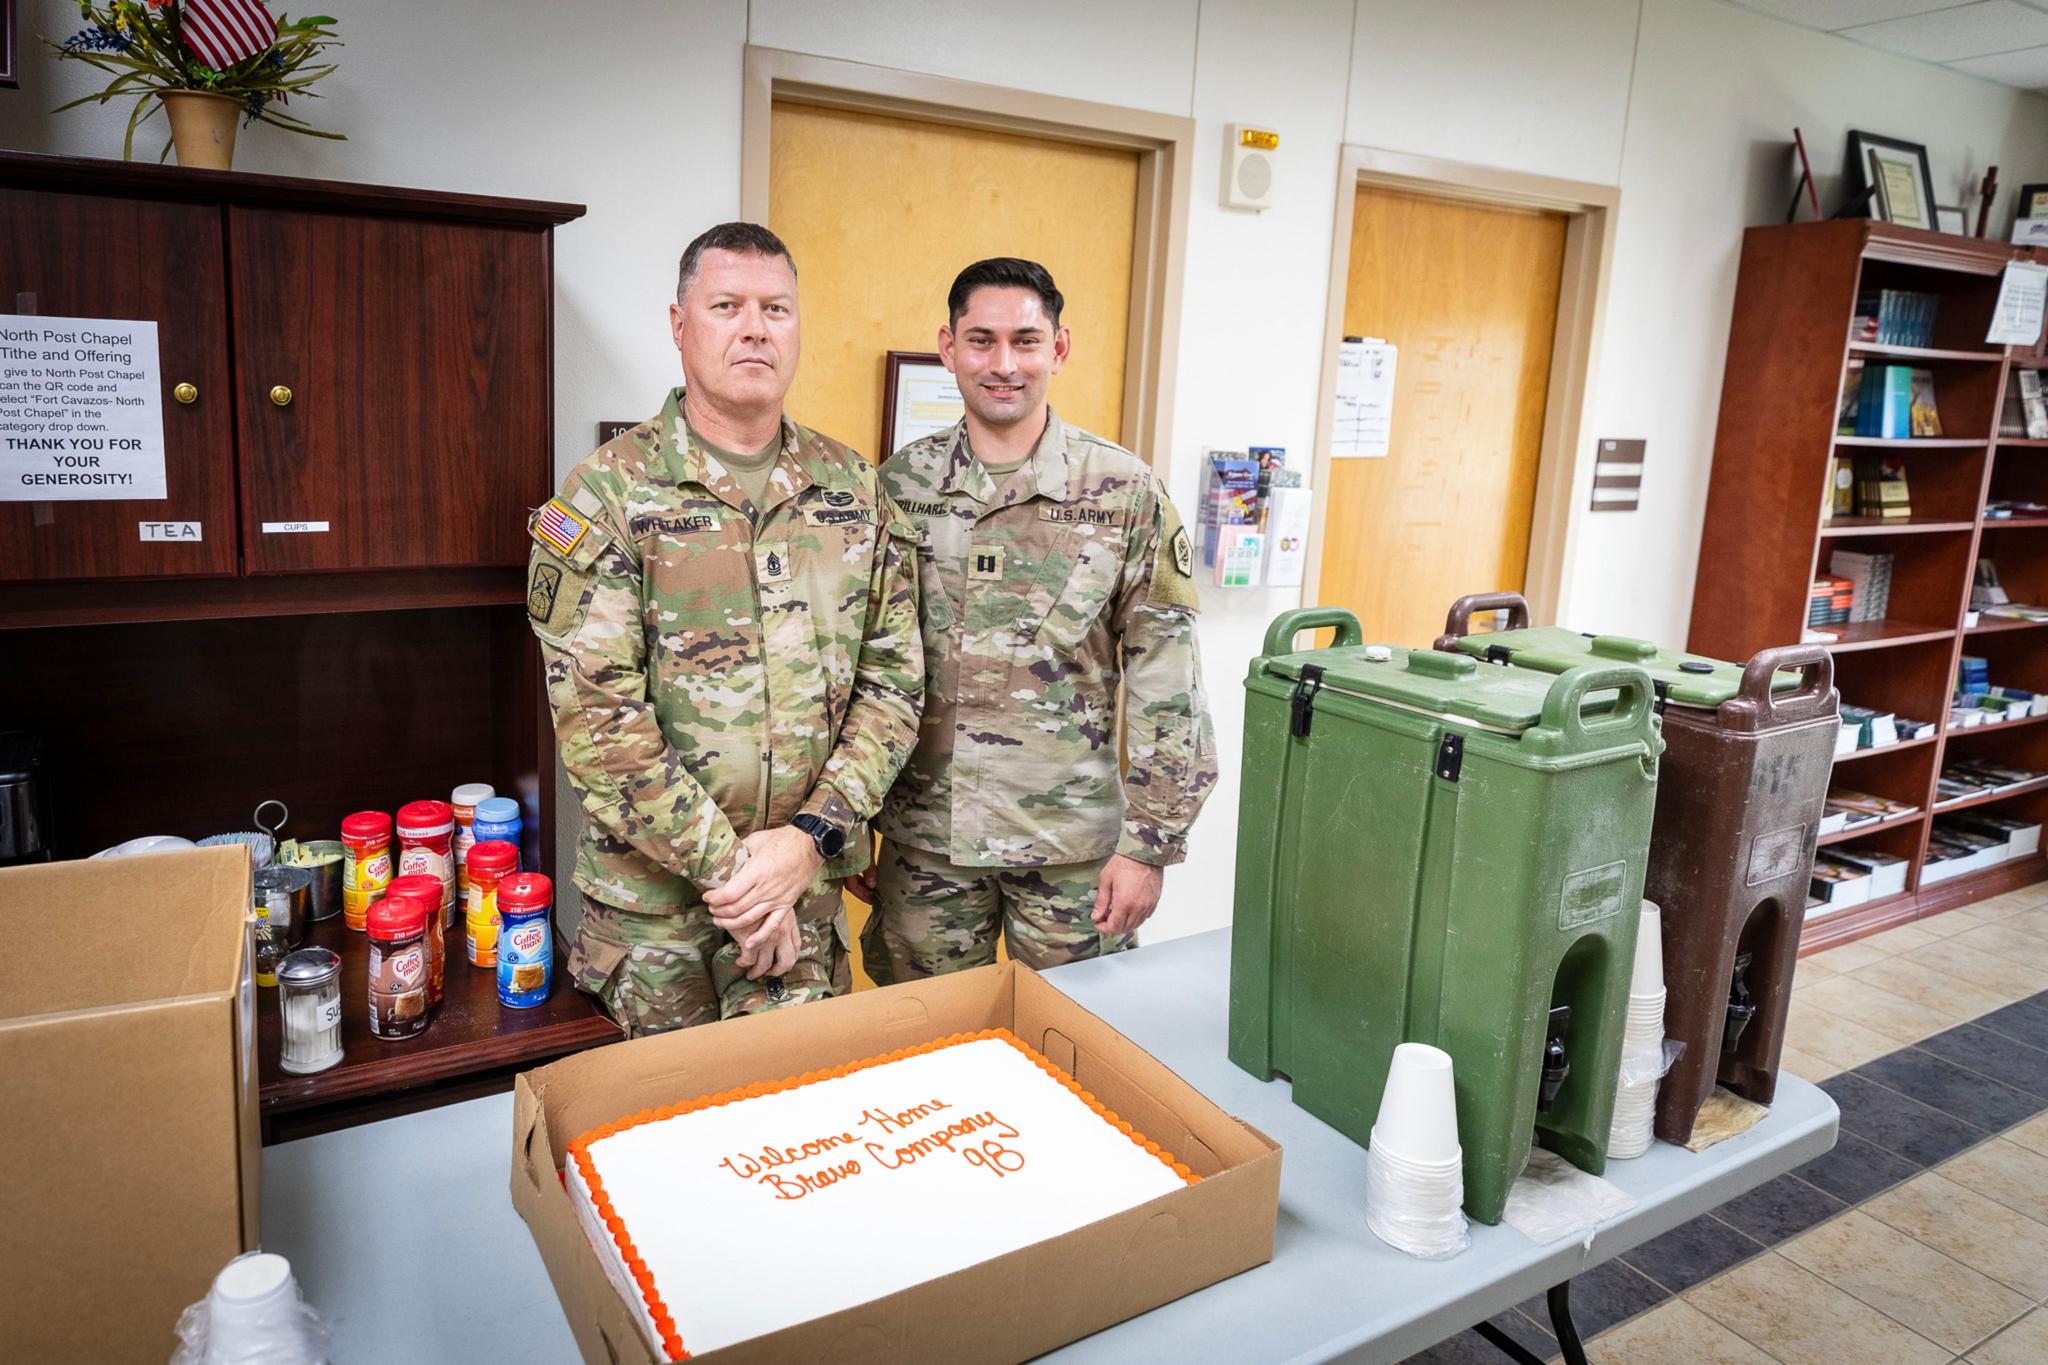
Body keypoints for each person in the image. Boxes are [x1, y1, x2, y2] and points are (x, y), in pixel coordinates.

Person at [526, 222, 922, 1035]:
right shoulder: (606, 495)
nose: (754, 327)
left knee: (804, 1134)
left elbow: (894, 685)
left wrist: (808, 844)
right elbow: (599, 722)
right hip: (657, 922)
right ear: (680, 324)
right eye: (727, 305)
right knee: (658, 1141)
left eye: (776, 308)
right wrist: (741, 876)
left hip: (803, 906)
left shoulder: (854, 488)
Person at [859, 257, 1216, 981]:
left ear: (1059, 348)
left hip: (1072, 854)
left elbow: (1168, 681)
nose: (1003, 364)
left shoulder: (1123, 492)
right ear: (948, 347)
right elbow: (859, 666)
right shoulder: (898, 487)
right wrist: (847, 829)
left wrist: (1150, 844)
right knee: (918, 1050)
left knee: (1077, 1051)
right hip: (926, 844)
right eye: (981, 340)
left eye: (1025, 340)